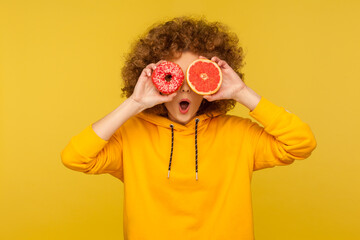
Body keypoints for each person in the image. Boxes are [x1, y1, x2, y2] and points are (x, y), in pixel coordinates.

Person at [60, 16, 317, 240]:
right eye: (174, 76)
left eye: (194, 75)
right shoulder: (131, 137)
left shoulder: (240, 135)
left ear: (211, 82)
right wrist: (134, 103)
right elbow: (75, 157)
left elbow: (302, 142)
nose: (184, 87)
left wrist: (241, 92)